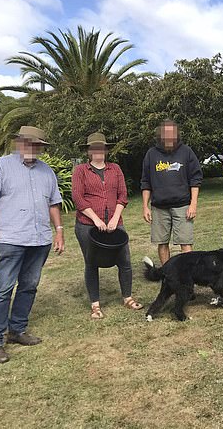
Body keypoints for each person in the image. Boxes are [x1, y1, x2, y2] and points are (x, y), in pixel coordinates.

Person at [0, 126, 64, 364]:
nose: (33, 147)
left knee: (29, 286)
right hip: (10, 239)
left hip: (39, 239)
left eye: (37, 144)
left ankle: (17, 330)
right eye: (28, 143)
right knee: (2, 290)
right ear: (19, 142)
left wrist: (59, 231)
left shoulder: (47, 171)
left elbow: (54, 203)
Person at [72, 132, 143, 319]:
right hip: (87, 224)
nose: (98, 151)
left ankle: (127, 297)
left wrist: (114, 218)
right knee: (91, 262)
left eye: (101, 148)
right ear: (88, 151)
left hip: (114, 222)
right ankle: (95, 304)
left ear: (106, 150)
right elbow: (78, 198)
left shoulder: (115, 169)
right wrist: (95, 219)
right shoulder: (80, 170)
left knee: (125, 261)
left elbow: (122, 195)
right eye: (94, 148)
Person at [141, 120, 203, 264]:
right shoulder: (151, 154)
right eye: (166, 134)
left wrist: (193, 204)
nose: (169, 137)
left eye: (172, 133)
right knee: (162, 243)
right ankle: (167, 274)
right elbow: (145, 181)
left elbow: (196, 179)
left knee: (185, 242)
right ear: (160, 136)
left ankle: (187, 276)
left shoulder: (186, 152)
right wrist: (145, 206)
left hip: (183, 206)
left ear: (177, 135)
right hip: (159, 207)